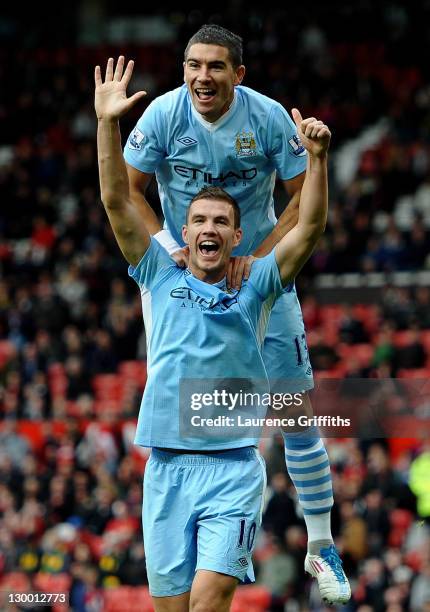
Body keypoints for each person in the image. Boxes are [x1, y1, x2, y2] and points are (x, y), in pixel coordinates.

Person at [95, 56, 350, 610]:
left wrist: (253, 259)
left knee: (295, 409)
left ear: (239, 72)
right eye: (191, 65)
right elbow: (122, 196)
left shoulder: (267, 119)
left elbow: (307, 215)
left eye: (214, 66)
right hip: (172, 446)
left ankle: (322, 543)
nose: (201, 77)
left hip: (258, 273)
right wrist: (106, 123)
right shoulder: (164, 116)